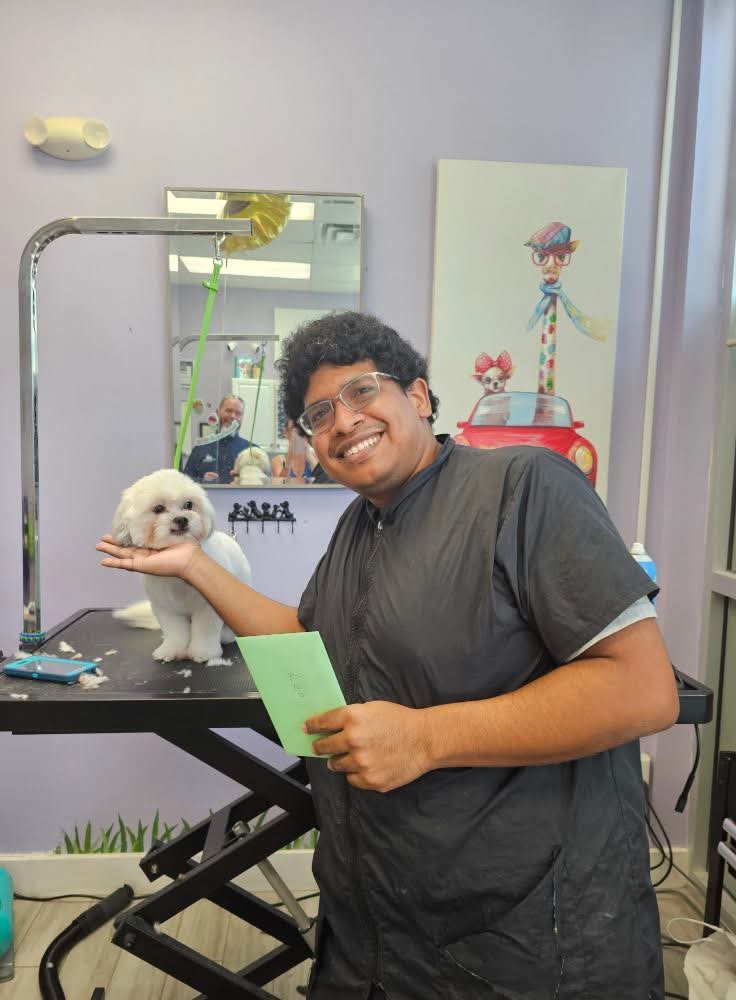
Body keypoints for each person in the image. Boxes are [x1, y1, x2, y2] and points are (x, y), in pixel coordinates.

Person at [98, 312, 679, 999]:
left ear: (421, 398)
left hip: (522, 940)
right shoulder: (360, 526)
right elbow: (307, 640)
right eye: (319, 413)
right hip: (378, 925)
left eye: (363, 392)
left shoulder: (525, 487)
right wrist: (193, 565)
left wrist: (427, 737)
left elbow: (644, 688)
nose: (342, 421)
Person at [182, 395, 254, 484]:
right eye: (229, 411)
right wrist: (202, 481)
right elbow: (184, 482)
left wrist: (243, 481)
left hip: (241, 498)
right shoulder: (200, 448)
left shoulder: (252, 451)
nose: (233, 416)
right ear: (218, 412)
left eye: (238, 413)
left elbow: (263, 485)